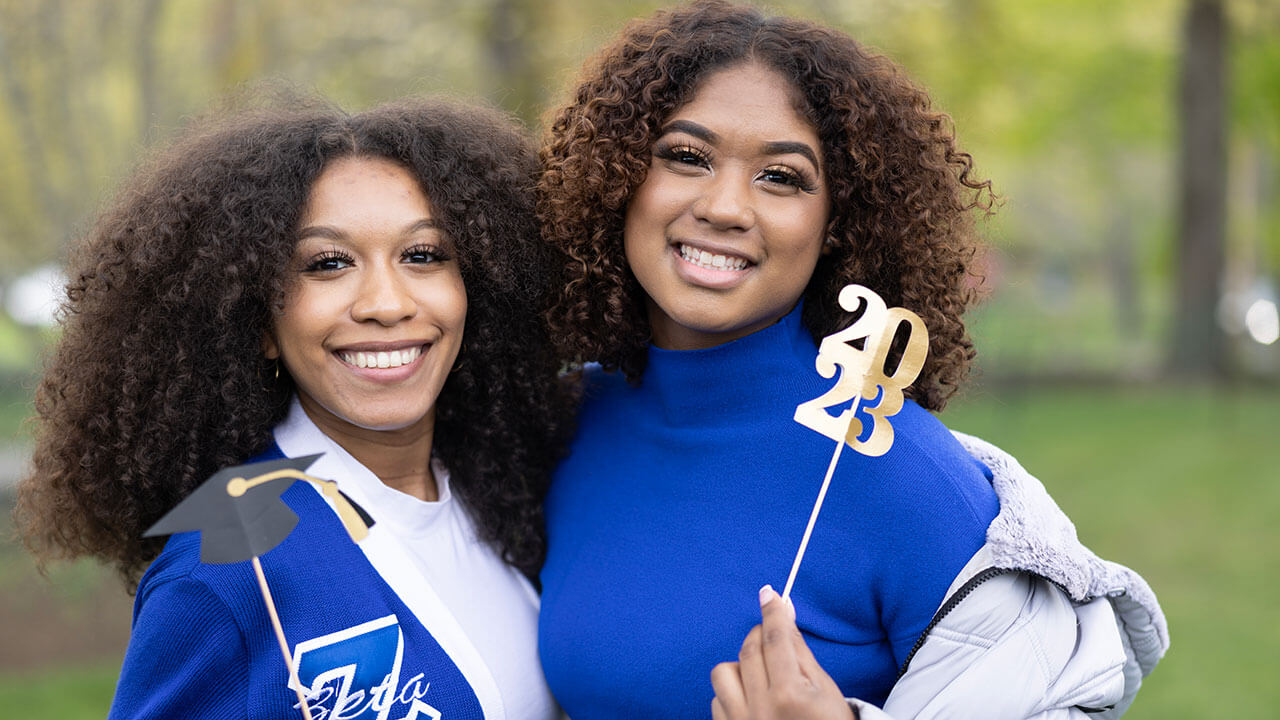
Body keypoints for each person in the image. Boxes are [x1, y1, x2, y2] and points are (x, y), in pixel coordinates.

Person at [535, 2, 1168, 718]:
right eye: (687, 157)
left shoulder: (911, 481)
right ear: (616, 177)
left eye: (781, 177)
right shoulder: (559, 425)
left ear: (838, 222)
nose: (724, 207)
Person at [14, 95, 572, 720]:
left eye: (422, 255)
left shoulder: (514, 489)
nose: (386, 303)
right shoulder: (222, 564)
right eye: (327, 264)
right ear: (259, 322)